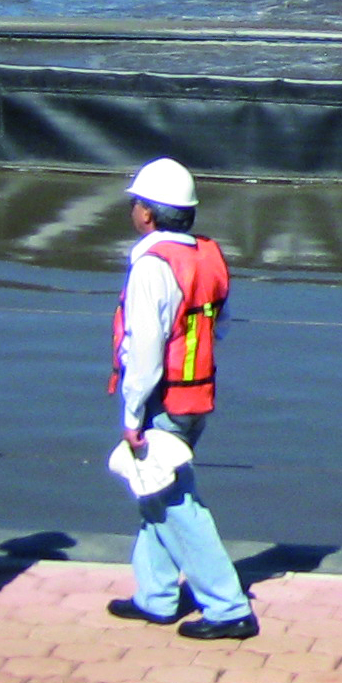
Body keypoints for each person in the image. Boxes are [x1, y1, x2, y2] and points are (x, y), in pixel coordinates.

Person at [109, 158, 255, 639]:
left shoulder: (152, 267)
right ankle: (156, 597)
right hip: (197, 396)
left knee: (174, 504)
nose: (133, 210)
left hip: (161, 402)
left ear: (147, 215)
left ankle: (228, 608)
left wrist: (131, 414)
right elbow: (222, 323)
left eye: (136, 203)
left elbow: (144, 349)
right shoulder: (207, 256)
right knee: (156, 492)